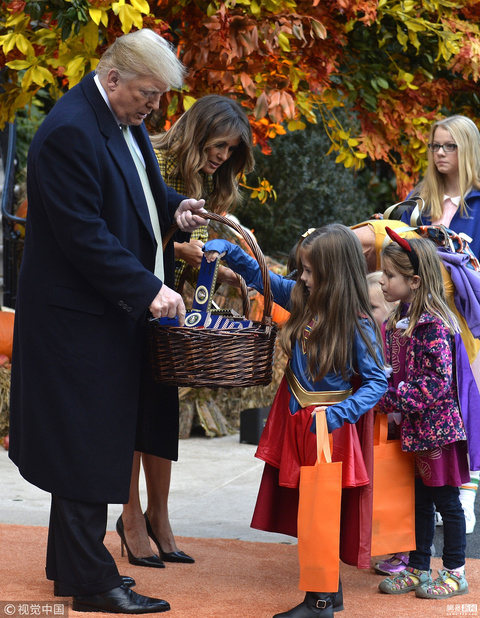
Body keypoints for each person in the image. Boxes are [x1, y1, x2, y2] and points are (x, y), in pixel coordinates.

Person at [8, 29, 206, 614]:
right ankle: (93, 582)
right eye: (148, 94)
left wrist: (174, 205)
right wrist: (149, 289)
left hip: (101, 312)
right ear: (113, 76)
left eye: (159, 97)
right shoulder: (69, 129)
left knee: (90, 440)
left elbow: (139, 185)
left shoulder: (121, 115)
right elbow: (83, 236)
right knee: (86, 444)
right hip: (77, 318)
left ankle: (70, 567)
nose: (154, 107)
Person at [204, 224, 388, 617]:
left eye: (308, 270)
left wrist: (338, 414)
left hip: (327, 431)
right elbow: (262, 278)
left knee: (320, 512)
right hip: (298, 422)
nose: (300, 277)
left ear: (332, 271)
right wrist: (229, 251)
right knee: (309, 511)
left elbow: (377, 382)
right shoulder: (304, 299)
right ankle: (329, 593)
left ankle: (319, 602)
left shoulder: (355, 321)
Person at [117, 94, 255, 566]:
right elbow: (122, 235)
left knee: (159, 416)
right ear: (197, 132)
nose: (222, 157)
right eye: (218, 145)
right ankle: (130, 517)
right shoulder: (151, 158)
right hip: (133, 302)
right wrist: (182, 253)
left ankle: (160, 516)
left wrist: (220, 270)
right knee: (131, 418)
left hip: (171, 316)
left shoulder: (209, 181)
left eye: (231, 152)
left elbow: (198, 249)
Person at [376, 229, 470, 600]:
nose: (382, 281)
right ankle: (417, 566)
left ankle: (455, 571)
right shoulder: (401, 319)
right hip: (417, 432)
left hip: (438, 433)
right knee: (418, 501)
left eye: (390, 276)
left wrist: (386, 399)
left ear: (414, 281)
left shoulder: (431, 325)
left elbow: (435, 382)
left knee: (447, 502)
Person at [400, 114, 480, 534]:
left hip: (470, 325)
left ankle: (463, 496)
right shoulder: (418, 204)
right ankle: (426, 504)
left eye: (450, 146)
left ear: (467, 150)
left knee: (467, 411)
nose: (441, 154)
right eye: (435, 146)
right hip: (423, 324)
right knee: (429, 410)